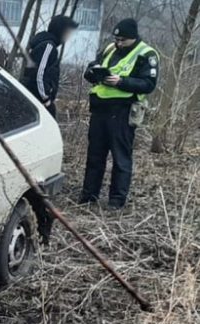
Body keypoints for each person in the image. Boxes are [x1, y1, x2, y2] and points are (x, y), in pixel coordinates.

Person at [79, 18, 159, 209]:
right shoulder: (109, 49)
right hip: (100, 110)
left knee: (121, 157)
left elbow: (148, 84)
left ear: (133, 38)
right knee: (95, 155)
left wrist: (121, 82)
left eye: (123, 40)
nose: (119, 43)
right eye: (117, 39)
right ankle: (89, 195)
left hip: (123, 111)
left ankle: (116, 200)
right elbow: (93, 66)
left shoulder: (146, 54)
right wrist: (93, 73)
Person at [21, 16, 79, 117]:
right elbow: (39, 74)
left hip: (34, 98)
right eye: (68, 32)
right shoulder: (48, 46)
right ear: (61, 31)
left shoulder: (45, 44)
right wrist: (46, 99)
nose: (68, 37)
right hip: (38, 101)